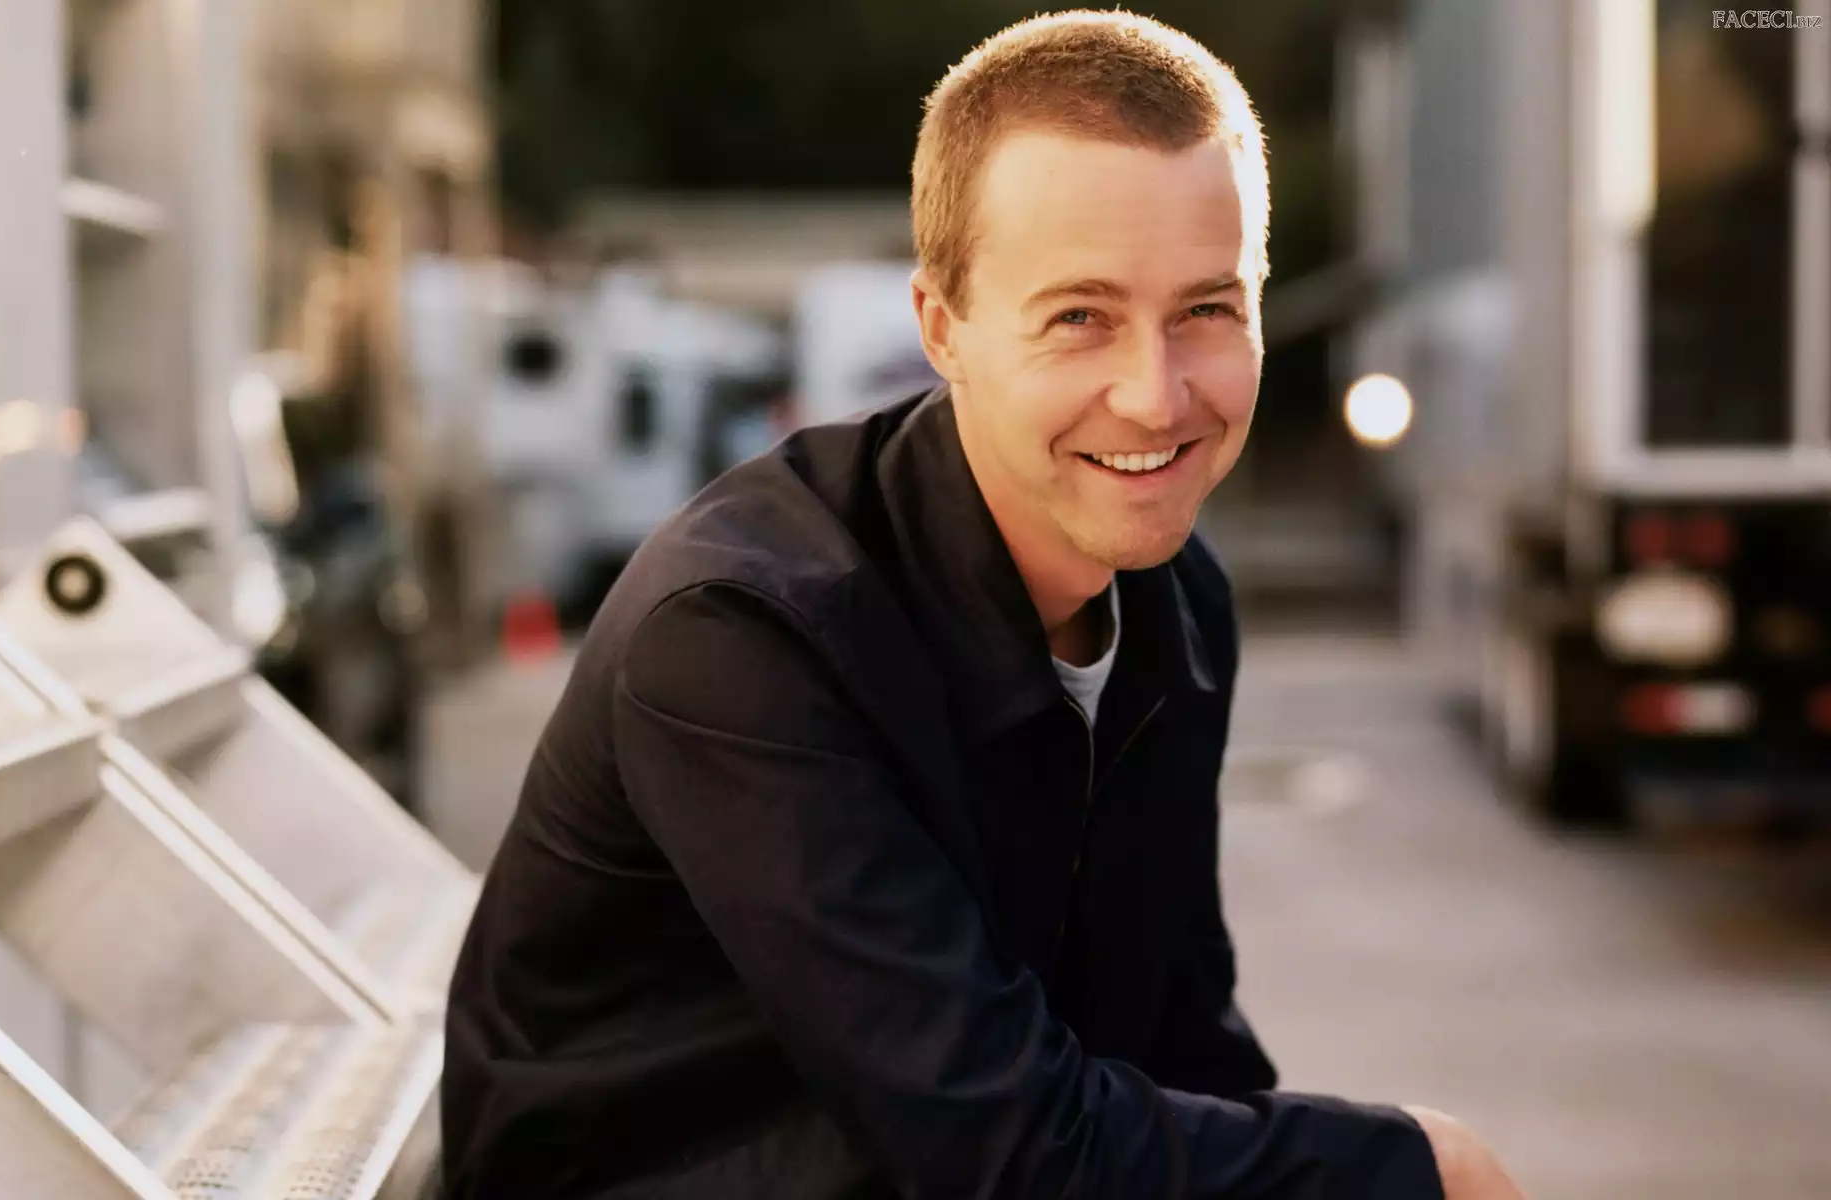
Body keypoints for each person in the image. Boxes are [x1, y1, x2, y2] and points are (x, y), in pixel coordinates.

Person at [443, 11, 1528, 1197]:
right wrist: (1422, 1168)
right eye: (1080, 318)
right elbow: (997, 1150)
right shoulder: (745, 633)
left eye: (1207, 310)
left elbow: (1179, 1049)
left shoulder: (1175, 600)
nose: (1155, 395)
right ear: (942, 330)